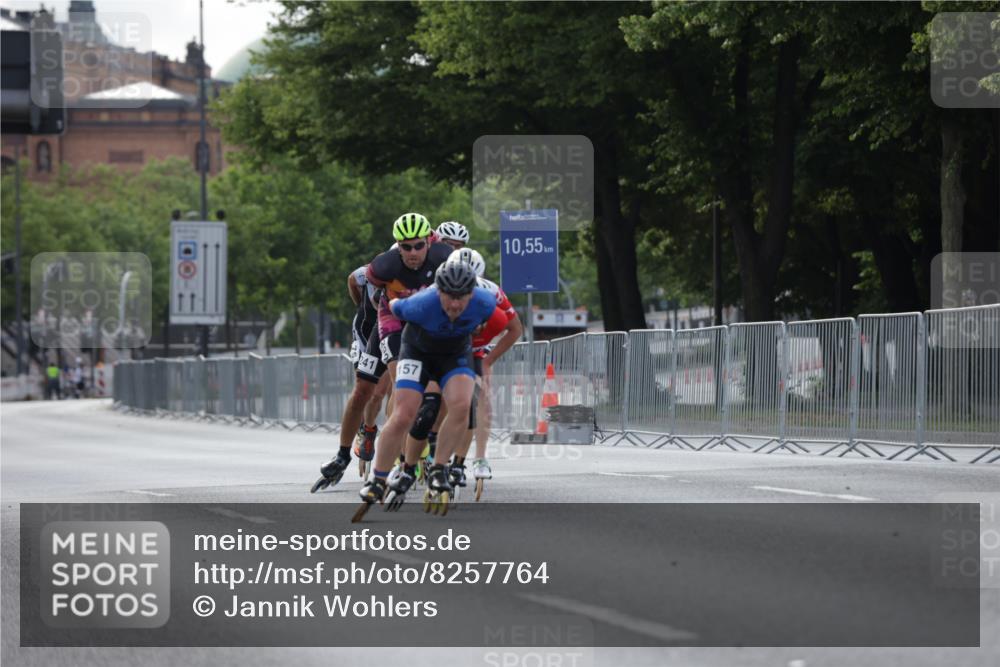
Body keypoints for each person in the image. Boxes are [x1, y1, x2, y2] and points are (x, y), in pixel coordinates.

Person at [312, 213, 452, 491]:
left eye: (418, 246)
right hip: (386, 323)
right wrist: (366, 313)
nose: (413, 252)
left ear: (429, 242)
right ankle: (345, 453)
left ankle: (413, 452)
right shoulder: (382, 265)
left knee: (422, 387)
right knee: (368, 390)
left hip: (423, 324)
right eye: (406, 247)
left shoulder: (444, 258)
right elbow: (354, 280)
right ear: (397, 246)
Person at [353, 261, 499, 520]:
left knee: (462, 405)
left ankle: (439, 468)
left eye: (461, 298)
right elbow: (387, 306)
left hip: (454, 355)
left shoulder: (486, 302)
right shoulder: (419, 304)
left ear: (472, 293)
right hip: (417, 352)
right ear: (437, 291)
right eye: (448, 297)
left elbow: (505, 325)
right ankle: (378, 478)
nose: (455, 304)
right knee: (405, 414)